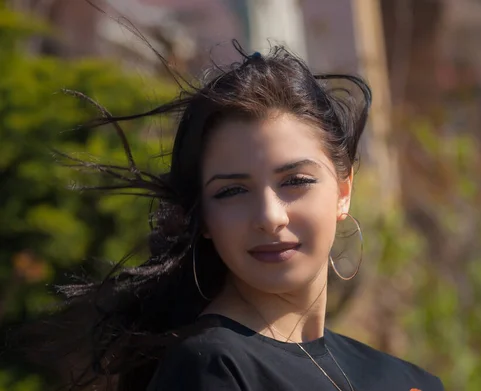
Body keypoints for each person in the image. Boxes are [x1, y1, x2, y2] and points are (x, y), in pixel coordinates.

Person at [19, 42, 445, 391]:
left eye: (295, 180)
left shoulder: (405, 379)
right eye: (233, 191)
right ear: (202, 216)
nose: (269, 216)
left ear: (344, 190)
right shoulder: (210, 369)